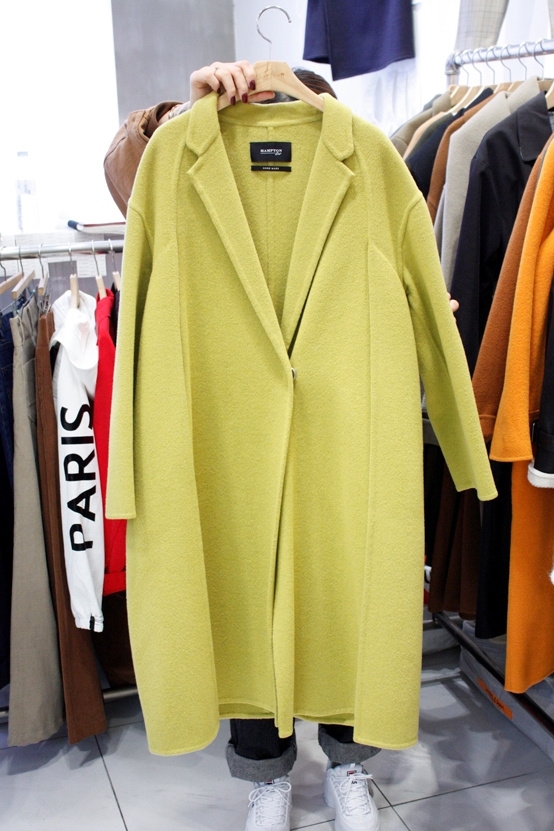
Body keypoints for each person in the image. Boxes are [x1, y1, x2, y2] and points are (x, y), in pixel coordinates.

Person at [103, 60, 459, 831]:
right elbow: (135, 319)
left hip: (343, 428)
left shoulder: (371, 158)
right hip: (221, 429)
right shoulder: (173, 159)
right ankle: (265, 775)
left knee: (345, 592)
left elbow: (426, 295)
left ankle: (349, 765)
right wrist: (126, 469)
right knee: (243, 594)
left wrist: (463, 440)